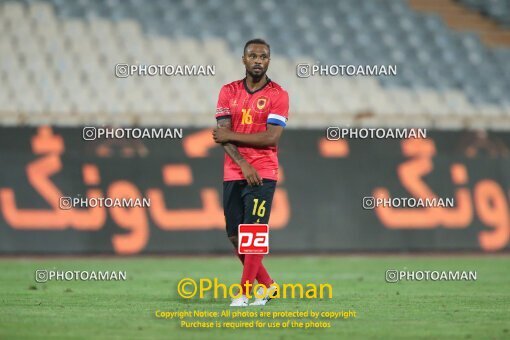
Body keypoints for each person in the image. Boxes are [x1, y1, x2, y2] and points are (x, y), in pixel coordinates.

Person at [212, 38, 289, 307]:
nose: (258, 60)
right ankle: (268, 286)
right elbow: (223, 138)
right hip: (234, 172)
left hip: (263, 172)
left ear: (269, 60)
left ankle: (244, 292)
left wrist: (230, 136)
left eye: (264, 56)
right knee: (234, 236)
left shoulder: (278, 94)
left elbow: (271, 137)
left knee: (253, 233)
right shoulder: (228, 92)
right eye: (253, 56)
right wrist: (242, 163)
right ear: (244, 60)